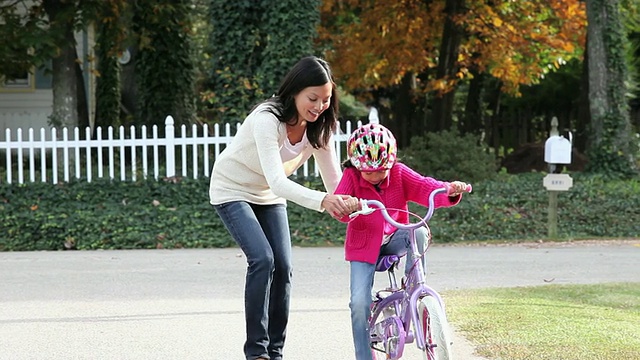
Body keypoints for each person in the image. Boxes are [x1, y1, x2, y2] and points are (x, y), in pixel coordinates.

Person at [209, 56, 358, 360]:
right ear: (294, 93)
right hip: (232, 188)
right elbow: (278, 181)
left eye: (326, 100)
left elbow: (335, 185)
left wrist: (351, 204)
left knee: (284, 267)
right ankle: (257, 353)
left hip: (268, 195)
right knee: (263, 259)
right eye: (312, 98)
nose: (319, 106)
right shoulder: (267, 119)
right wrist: (323, 202)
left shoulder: (320, 129)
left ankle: (275, 353)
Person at [333, 123, 470, 360]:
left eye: (381, 170)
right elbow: (339, 206)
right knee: (359, 303)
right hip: (364, 248)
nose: (375, 176)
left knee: (418, 231)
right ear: (356, 165)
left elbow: (426, 186)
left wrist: (449, 189)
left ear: (391, 162)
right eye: (368, 172)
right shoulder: (351, 177)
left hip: (396, 236)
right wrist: (347, 204)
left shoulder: (398, 173)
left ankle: (415, 286)